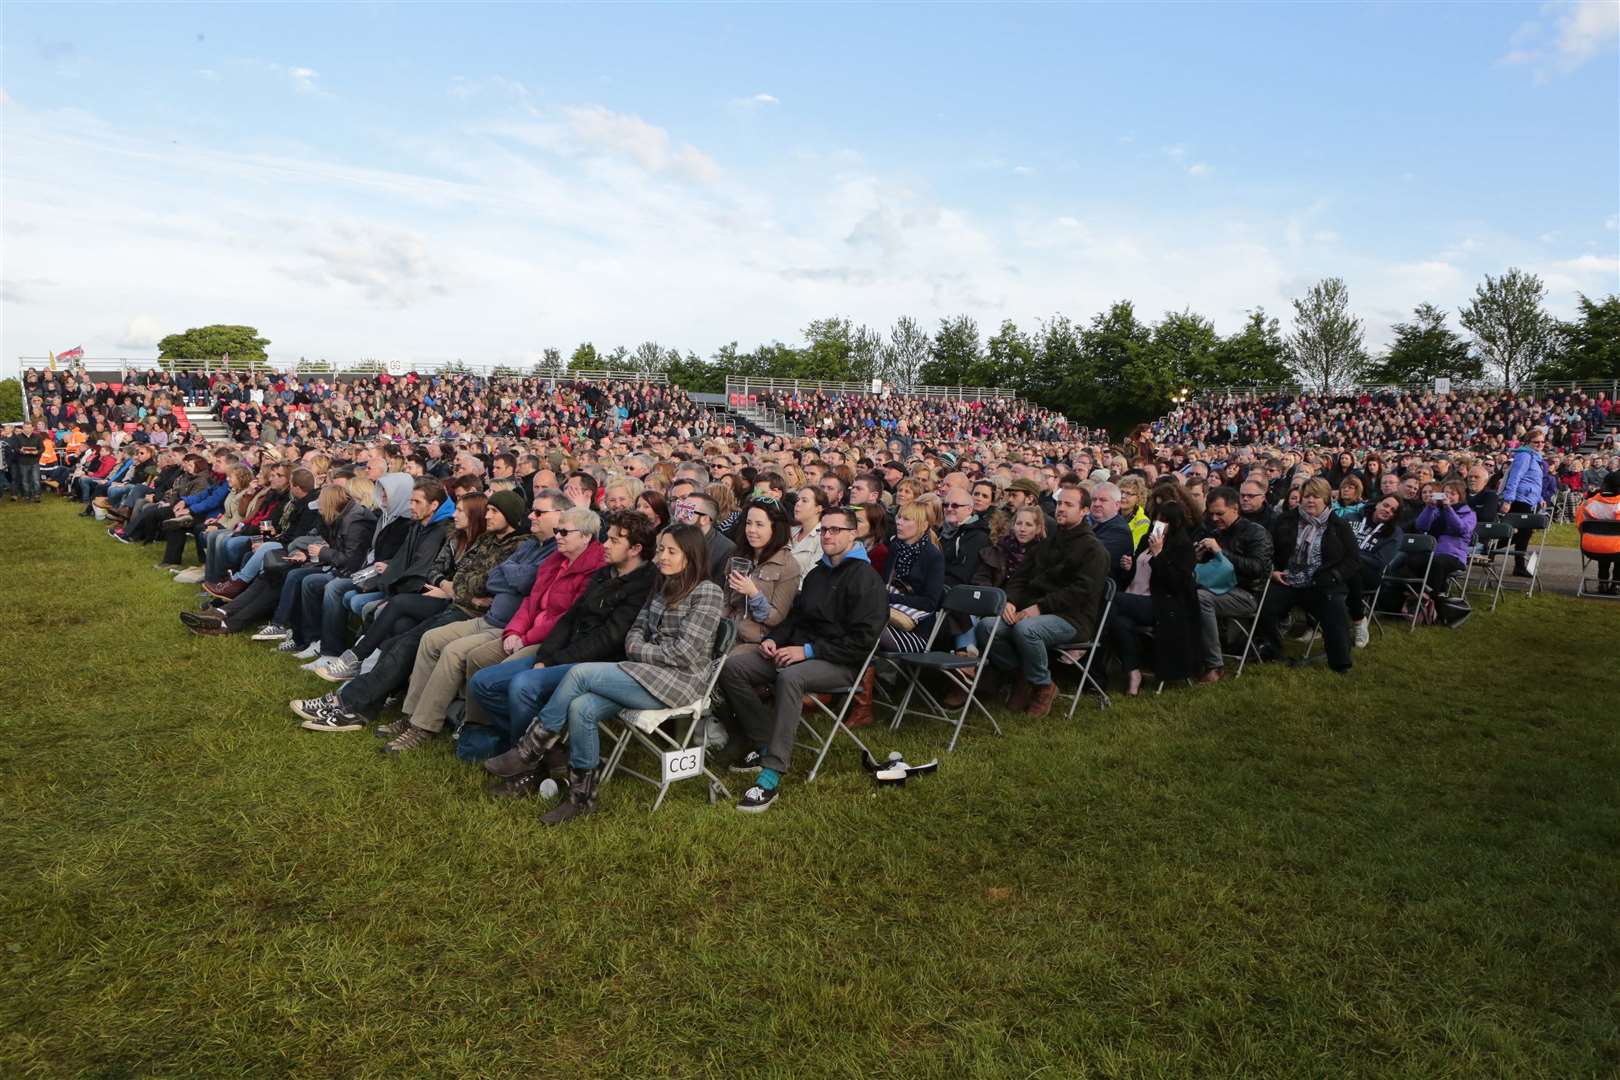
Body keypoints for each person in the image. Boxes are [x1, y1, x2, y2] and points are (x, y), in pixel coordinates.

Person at [494, 524, 724, 826]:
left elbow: (683, 654)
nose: (662, 557)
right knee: (581, 707)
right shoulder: (662, 586)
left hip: (679, 683)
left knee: (579, 675)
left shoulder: (708, 592)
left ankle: (529, 750)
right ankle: (581, 798)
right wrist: (643, 649)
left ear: (691, 556)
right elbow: (633, 634)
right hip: (645, 673)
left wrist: (642, 650)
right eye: (661, 549)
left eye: (671, 551)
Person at [717, 505, 887, 813]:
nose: (828, 535)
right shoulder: (818, 574)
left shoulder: (866, 579)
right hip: (799, 652)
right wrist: (773, 639)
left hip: (840, 664)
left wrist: (807, 652)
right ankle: (765, 740)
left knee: (790, 678)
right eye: (824, 530)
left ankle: (771, 773)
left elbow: (862, 642)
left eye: (836, 530)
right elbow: (796, 619)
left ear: (854, 534)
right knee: (732, 667)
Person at [473, 510, 660, 786]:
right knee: (483, 683)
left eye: (613, 541)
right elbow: (570, 617)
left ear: (635, 549)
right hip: (564, 653)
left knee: (523, 685)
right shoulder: (605, 572)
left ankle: (524, 769)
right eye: (606, 538)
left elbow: (609, 639)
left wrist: (554, 661)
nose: (605, 545)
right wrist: (546, 655)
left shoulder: (644, 584)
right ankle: (548, 751)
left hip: (596, 664)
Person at [972, 486, 1109, 715]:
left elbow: (1080, 592)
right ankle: (1023, 677)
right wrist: (1011, 601)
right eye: (1060, 503)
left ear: (1084, 510)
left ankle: (1043, 685)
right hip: (1032, 611)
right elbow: (1020, 577)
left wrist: (1040, 607)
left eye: (1069, 505)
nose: (1061, 508)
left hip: (1071, 618)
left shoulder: (1093, 549)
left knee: (1027, 630)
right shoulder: (1048, 542)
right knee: (987, 627)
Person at [1255, 478, 1360, 674]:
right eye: (1307, 496)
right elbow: (1268, 550)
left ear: (1327, 500)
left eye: (1316, 496)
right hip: (1287, 580)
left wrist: (1334, 576)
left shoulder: (1339, 526)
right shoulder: (1285, 520)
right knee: (1263, 605)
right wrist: (1272, 571)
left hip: (1322, 583)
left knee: (1335, 611)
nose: (1311, 501)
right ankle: (1273, 649)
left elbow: (1352, 559)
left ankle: (1341, 663)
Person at [1195, 486, 1274, 682]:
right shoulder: (1216, 532)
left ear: (1235, 509)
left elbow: (1257, 568)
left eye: (1220, 514)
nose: (1214, 519)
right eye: (1211, 514)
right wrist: (1196, 557)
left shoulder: (1256, 533)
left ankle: (1214, 665)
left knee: (1201, 599)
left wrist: (1221, 552)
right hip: (1217, 587)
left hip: (1246, 593)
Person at [723, 498, 802, 645]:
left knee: (729, 663)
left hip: (755, 641)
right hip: (728, 632)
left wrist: (753, 593)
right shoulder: (738, 555)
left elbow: (775, 619)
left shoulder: (788, 566)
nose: (751, 530)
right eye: (748, 523)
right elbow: (726, 601)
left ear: (775, 528)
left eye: (759, 525)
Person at [1397, 478, 1475, 626]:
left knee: (1437, 563)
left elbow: (1460, 529)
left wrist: (1448, 509)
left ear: (1460, 496)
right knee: (1410, 561)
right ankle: (1416, 598)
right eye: (1445, 493)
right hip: (1432, 553)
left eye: (1453, 494)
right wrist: (1430, 508)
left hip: (1453, 556)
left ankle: (1433, 602)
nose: (1448, 496)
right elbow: (1421, 526)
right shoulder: (1437, 511)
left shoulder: (1468, 513)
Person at [1345, 493, 1404, 646]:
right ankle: (1317, 623)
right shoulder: (1351, 518)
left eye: (1393, 510)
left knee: (1353, 572)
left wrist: (1353, 554)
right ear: (1377, 504)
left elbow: (1380, 561)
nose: (1388, 510)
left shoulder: (1394, 533)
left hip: (1369, 573)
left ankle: (1358, 621)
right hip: (1341, 566)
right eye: (1385, 505)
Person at [1501, 428, 1549, 576]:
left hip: (1529, 499)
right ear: (1528, 442)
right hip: (1519, 498)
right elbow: (1515, 477)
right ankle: (1518, 565)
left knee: (1522, 533)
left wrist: (1540, 498)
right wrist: (1508, 499)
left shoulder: (1536, 457)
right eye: (1536, 442)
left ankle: (1489, 548)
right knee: (1523, 532)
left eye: (1542, 441)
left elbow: (1534, 482)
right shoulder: (1525, 456)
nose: (1540, 444)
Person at [1575, 471, 1620, 595]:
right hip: (1617, 550)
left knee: (1603, 541)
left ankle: (1602, 583)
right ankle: (1616, 584)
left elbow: (1580, 526)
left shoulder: (1588, 504)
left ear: (1604, 485)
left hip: (1591, 548)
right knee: (1614, 545)